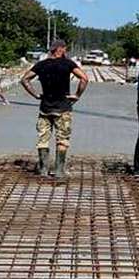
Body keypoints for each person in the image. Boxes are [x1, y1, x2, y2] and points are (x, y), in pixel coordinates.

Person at [21, 39, 89, 178]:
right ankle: (59, 171)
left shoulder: (41, 65)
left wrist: (35, 95)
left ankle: (43, 169)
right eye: (65, 49)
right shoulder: (68, 64)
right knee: (62, 140)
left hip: (45, 108)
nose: (66, 52)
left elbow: (24, 79)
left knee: (43, 139)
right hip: (63, 108)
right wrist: (76, 95)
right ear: (61, 49)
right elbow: (84, 78)